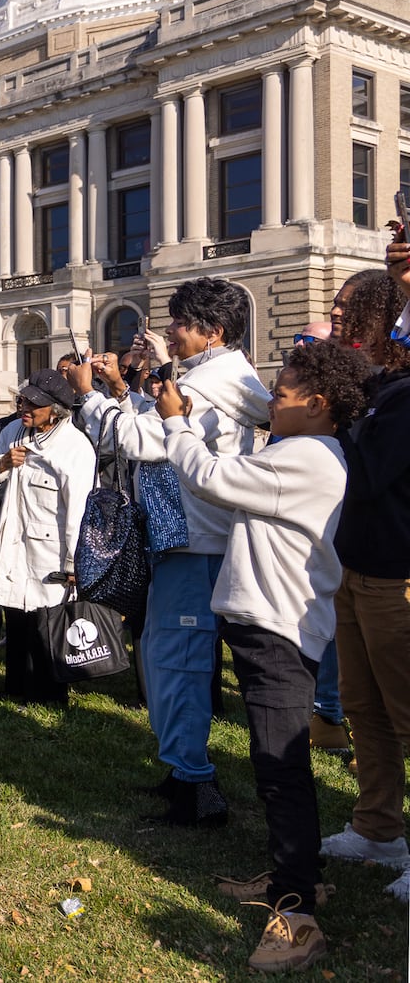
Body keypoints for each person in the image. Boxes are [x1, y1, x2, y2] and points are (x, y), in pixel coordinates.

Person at [160, 341, 369, 972]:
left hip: (280, 632)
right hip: (266, 627)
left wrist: (174, 419)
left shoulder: (310, 458)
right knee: (273, 764)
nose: (267, 403)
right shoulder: (297, 449)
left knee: (283, 771)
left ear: (318, 403)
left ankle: (298, 912)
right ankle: (291, 876)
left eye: (278, 395)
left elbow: (210, 478)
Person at [72, 277, 269, 827]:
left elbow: (137, 439)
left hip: (194, 540)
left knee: (178, 662)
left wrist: (90, 394)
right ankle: (182, 769)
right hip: (185, 538)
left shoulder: (212, 383)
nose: (173, 333)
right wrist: (130, 386)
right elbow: (156, 423)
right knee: (165, 656)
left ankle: (196, 785)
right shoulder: (219, 376)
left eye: (181, 323)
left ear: (214, 331)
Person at [320, 267, 410, 903]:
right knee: (365, 711)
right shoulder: (377, 388)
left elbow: (371, 472)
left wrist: (333, 422)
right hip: (355, 573)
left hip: (395, 575)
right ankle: (378, 829)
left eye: (351, 307)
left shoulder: (404, 394)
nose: (339, 315)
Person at [0, 369, 96, 707]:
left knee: (48, 625)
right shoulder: (12, 432)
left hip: (51, 549)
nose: (25, 407)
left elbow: (77, 508)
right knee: (16, 618)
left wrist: (74, 562)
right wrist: (2, 464)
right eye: (23, 399)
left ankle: (50, 695)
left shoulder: (75, 447)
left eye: (34, 403)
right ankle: (15, 687)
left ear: (57, 409)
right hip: (13, 541)